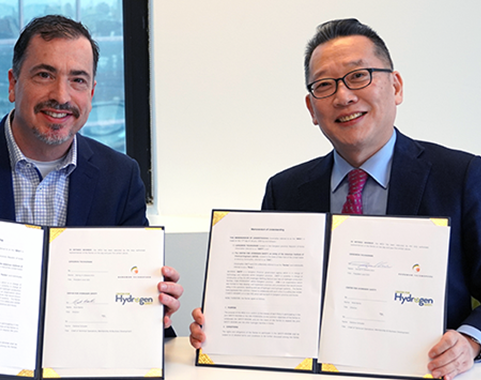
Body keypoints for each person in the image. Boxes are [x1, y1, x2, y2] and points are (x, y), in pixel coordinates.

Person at [190, 18, 481, 380]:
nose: (343, 96)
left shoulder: (462, 175)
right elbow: (270, 301)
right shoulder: (285, 190)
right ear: (312, 109)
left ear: (396, 86)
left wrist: (470, 342)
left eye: (359, 76)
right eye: (325, 86)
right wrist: (224, 323)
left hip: (424, 372)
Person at [0, 13, 182, 350]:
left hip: (81, 363)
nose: (61, 96)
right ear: (12, 83)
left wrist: (155, 310)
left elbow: (130, 300)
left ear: (92, 92)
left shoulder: (120, 177)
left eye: (78, 80)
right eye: (44, 74)